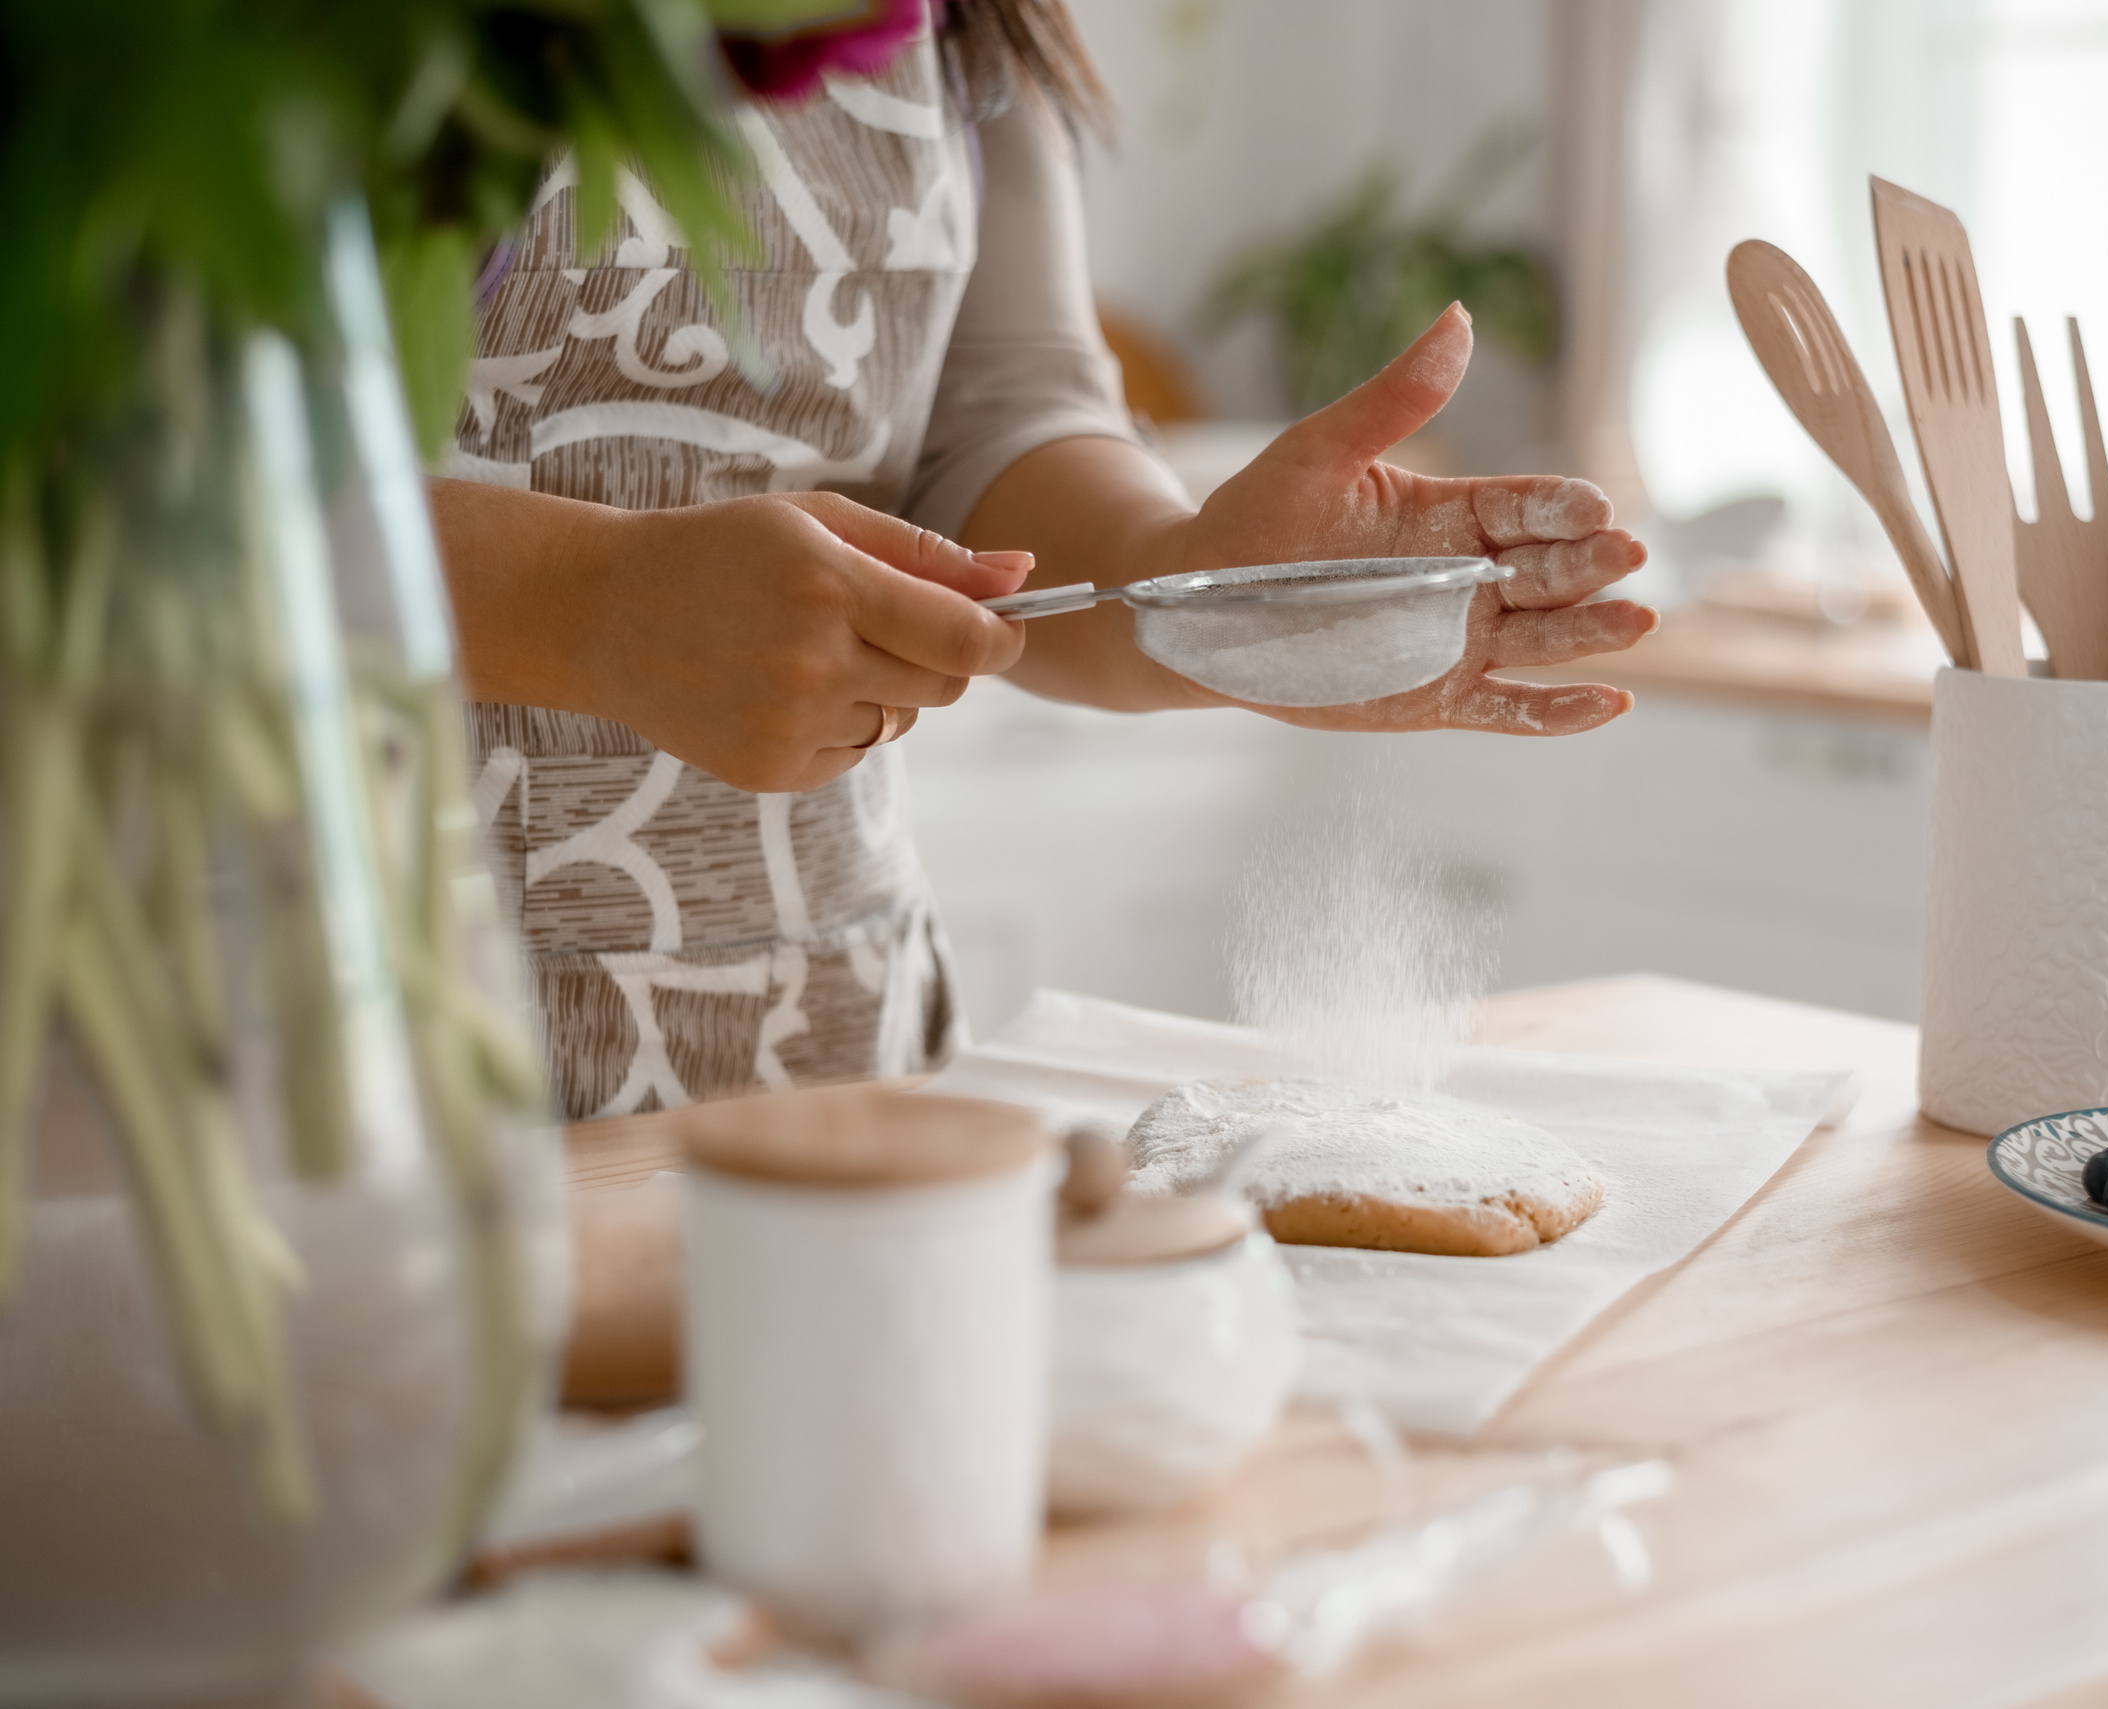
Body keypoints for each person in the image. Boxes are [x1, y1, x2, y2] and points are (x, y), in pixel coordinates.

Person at [429, 0, 1653, 1121]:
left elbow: (1001, 422)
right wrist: (583, 602)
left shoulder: (968, 26)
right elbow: (236, 491)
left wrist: (1192, 575)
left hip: (820, 1020)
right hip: (359, 1025)